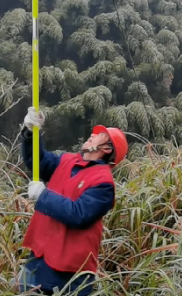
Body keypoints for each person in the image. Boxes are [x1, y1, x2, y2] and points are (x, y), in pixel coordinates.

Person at [16, 106, 128, 295]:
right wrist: (30, 132)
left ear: (107, 148)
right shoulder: (67, 161)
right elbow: (37, 161)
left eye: (100, 135)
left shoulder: (104, 183)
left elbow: (79, 214)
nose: (92, 135)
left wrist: (43, 195)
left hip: (70, 273)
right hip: (40, 258)